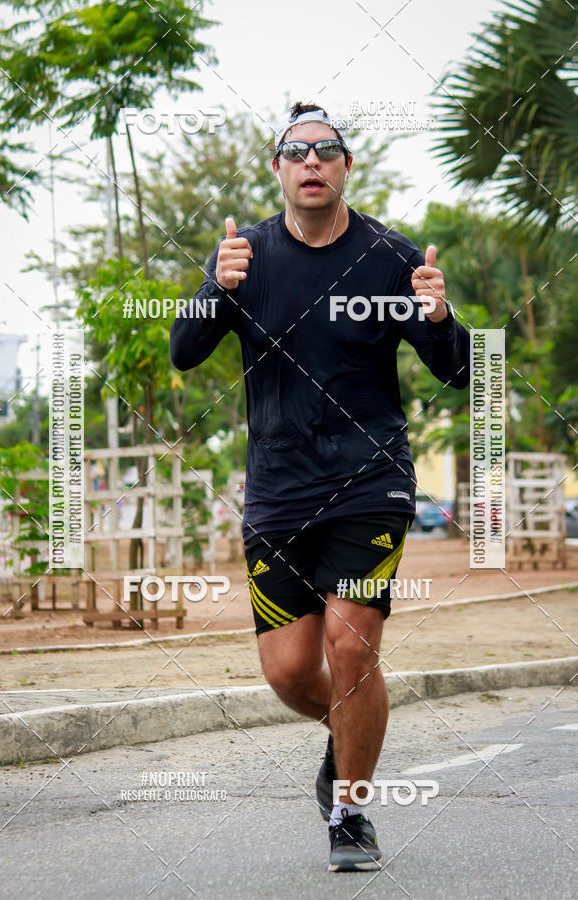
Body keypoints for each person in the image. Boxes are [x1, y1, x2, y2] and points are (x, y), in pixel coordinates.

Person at [170, 100, 470, 872]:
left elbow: (457, 368)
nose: (311, 163)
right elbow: (183, 353)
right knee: (291, 671)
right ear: (277, 168)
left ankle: (350, 809)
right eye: (296, 151)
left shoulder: (387, 256)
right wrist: (216, 291)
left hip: (370, 482)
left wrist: (440, 317)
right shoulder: (243, 255)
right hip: (276, 491)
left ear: (344, 167)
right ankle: (349, 739)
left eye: (325, 151)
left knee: (351, 644)